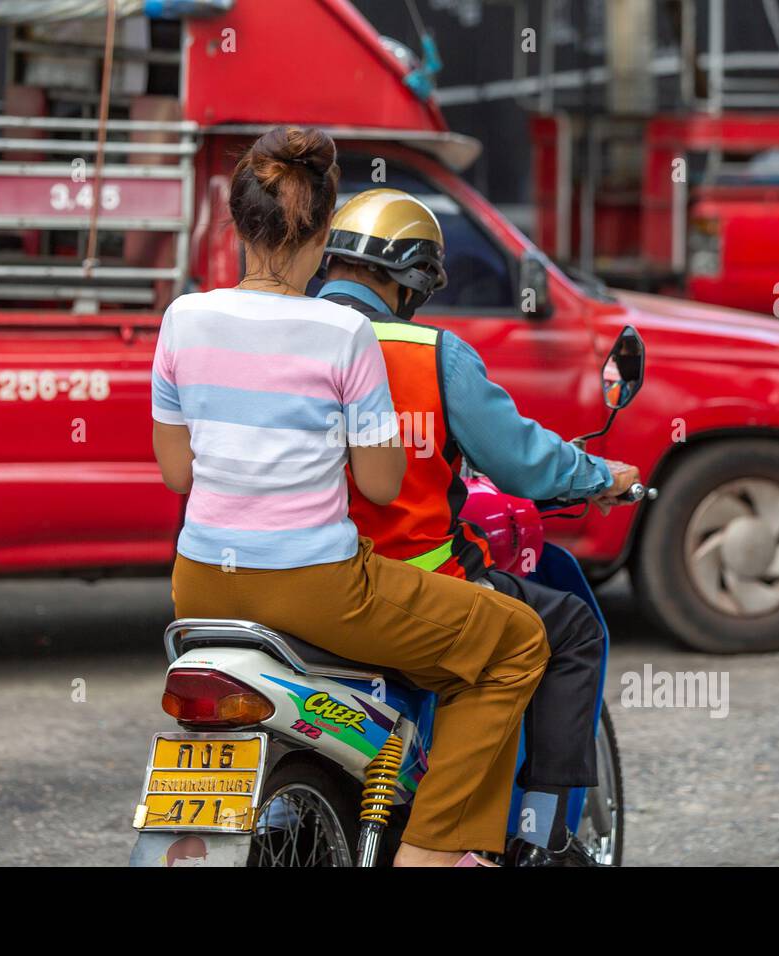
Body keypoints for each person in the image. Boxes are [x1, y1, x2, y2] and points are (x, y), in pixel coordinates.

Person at [150, 127, 550, 867]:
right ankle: (433, 853)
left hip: (198, 583)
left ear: (237, 221)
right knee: (515, 640)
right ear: (324, 232)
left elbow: (178, 474)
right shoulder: (342, 333)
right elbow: (381, 485)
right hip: (317, 587)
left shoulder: (183, 318)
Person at [316, 188, 641, 866]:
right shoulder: (431, 353)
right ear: (408, 279)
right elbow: (523, 459)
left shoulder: (280, 333)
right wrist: (597, 476)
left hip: (284, 579)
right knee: (569, 631)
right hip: (409, 590)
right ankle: (540, 837)